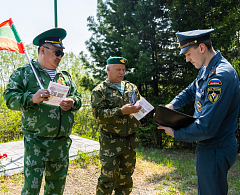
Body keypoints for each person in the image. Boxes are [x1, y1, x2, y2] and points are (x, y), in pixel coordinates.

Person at [158, 29, 240, 195]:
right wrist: (172, 105)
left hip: (216, 147)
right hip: (210, 145)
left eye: (188, 53)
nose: (187, 59)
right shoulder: (207, 69)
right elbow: (190, 90)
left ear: (201, 48)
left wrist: (176, 134)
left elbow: (206, 127)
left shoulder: (220, 76)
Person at [3, 28, 82, 195]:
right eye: (57, 52)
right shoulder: (24, 73)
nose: (60, 57)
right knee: (31, 189)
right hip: (36, 142)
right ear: (42, 50)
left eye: (62, 53)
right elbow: (9, 98)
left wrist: (72, 102)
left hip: (61, 143)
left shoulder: (64, 76)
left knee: (56, 189)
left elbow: (78, 97)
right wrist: (32, 97)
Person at [91, 57, 142, 195]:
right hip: (110, 141)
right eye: (118, 69)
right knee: (107, 177)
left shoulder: (131, 87)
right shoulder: (100, 90)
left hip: (130, 141)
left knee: (125, 178)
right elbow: (98, 114)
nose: (122, 72)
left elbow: (139, 107)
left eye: (123, 70)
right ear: (108, 69)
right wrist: (121, 111)